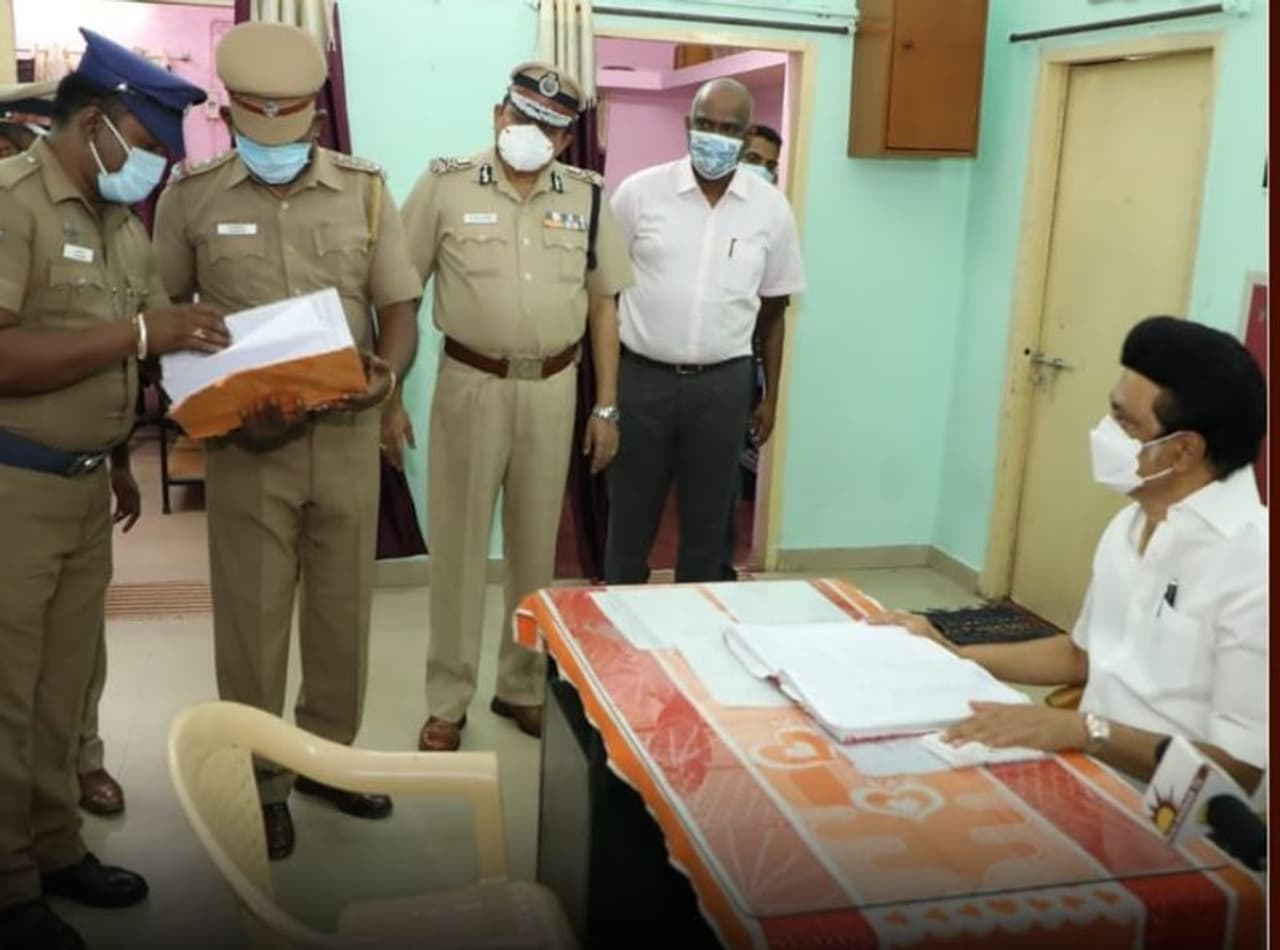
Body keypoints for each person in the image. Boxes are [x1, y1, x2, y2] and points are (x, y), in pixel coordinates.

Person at [152, 21, 422, 860]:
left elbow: (401, 311)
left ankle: (328, 760)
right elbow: (158, 322)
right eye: (255, 120)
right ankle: (262, 780)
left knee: (343, 614)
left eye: (290, 118)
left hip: (343, 436)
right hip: (246, 446)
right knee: (253, 621)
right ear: (230, 115)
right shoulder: (189, 197)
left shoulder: (366, 190)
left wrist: (387, 379)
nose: (273, 136)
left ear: (316, 113)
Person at [0, 30, 225, 950]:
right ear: (93, 123)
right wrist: (142, 338)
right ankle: (9, 883)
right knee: (8, 693)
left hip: (86, 486)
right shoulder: (13, 204)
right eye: (146, 147)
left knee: (62, 688)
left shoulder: (111, 215)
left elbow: (126, 351)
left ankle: (55, 847)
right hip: (14, 487)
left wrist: (123, 456)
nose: (154, 168)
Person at [873, 316, 1267, 792]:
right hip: (1088, 773)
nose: (1106, 434)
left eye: (1126, 423)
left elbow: (1240, 772)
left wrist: (1082, 731)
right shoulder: (1132, 522)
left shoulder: (1253, 565)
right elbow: (1083, 657)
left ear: (1182, 451)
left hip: (1180, 818)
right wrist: (952, 655)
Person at [402, 63, 633, 753]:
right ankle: (447, 700)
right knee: (460, 550)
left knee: (536, 550)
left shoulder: (589, 197)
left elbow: (603, 305)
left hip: (555, 389)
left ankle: (522, 686)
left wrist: (608, 408)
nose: (531, 133)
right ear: (498, 114)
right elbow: (399, 292)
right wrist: (385, 391)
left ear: (565, 140)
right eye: (521, 117)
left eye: (550, 127)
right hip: (470, 385)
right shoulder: (445, 185)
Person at [604, 80, 805, 585]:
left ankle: (698, 640)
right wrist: (605, 397)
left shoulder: (770, 209)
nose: (717, 136)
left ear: (745, 134)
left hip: (723, 387)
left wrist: (771, 396)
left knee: (709, 526)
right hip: (642, 379)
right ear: (688, 126)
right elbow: (603, 295)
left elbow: (776, 308)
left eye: (730, 128)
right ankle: (619, 640)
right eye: (707, 125)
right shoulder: (638, 194)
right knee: (630, 518)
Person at [719, 123, 785, 580]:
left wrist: (771, 396)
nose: (762, 170)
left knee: (720, 494)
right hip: (657, 375)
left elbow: (776, 314)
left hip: (733, 376)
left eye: (771, 165)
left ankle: (715, 579)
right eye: (754, 159)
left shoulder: (772, 219)